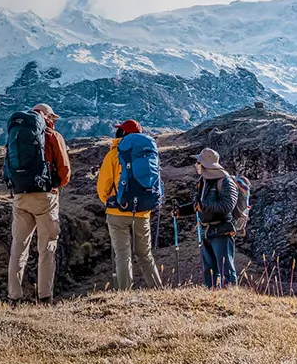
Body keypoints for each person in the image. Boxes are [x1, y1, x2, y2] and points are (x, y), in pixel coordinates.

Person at [3, 103, 71, 304]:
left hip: (20, 196)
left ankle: (13, 297)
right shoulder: (52, 136)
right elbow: (65, 170)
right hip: (45, 198)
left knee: (18, 247)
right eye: (53, 118)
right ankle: (44, 296)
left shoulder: (15, 135)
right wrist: (55, 185)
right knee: (46, 248)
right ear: (46, 116)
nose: (54, 122)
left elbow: (7, 167)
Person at [96, 119, 163, 290]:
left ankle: (124, 293)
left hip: (117, 212)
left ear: (122, 133)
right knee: (145, 254)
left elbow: (103, 185)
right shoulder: (148, 153)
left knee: (123, 254)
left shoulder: (114, 154)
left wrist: (110, 202)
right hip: (142, 212)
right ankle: (157, 289)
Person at [174, 148, 239, 288]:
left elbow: (227, 206)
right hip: (206, 231)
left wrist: (204, 205)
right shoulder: (203, 181)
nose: (196, 165)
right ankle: (212, 294)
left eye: (198, 162)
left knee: (225, 268)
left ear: (205, 165)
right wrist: (181, 211)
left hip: (221, 230)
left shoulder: (226, 181)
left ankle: (231, 295)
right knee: (209, 269)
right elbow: (197, 205)